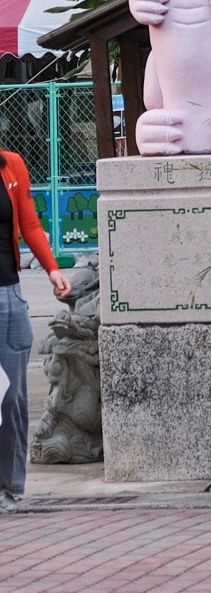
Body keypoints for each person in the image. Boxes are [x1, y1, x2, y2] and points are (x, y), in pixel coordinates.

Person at [0, 149, 71, 514]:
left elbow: (28, 225)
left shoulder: (12, 165)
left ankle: (9, 487)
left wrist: (52, 269)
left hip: (7, 295)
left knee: (11, 397)